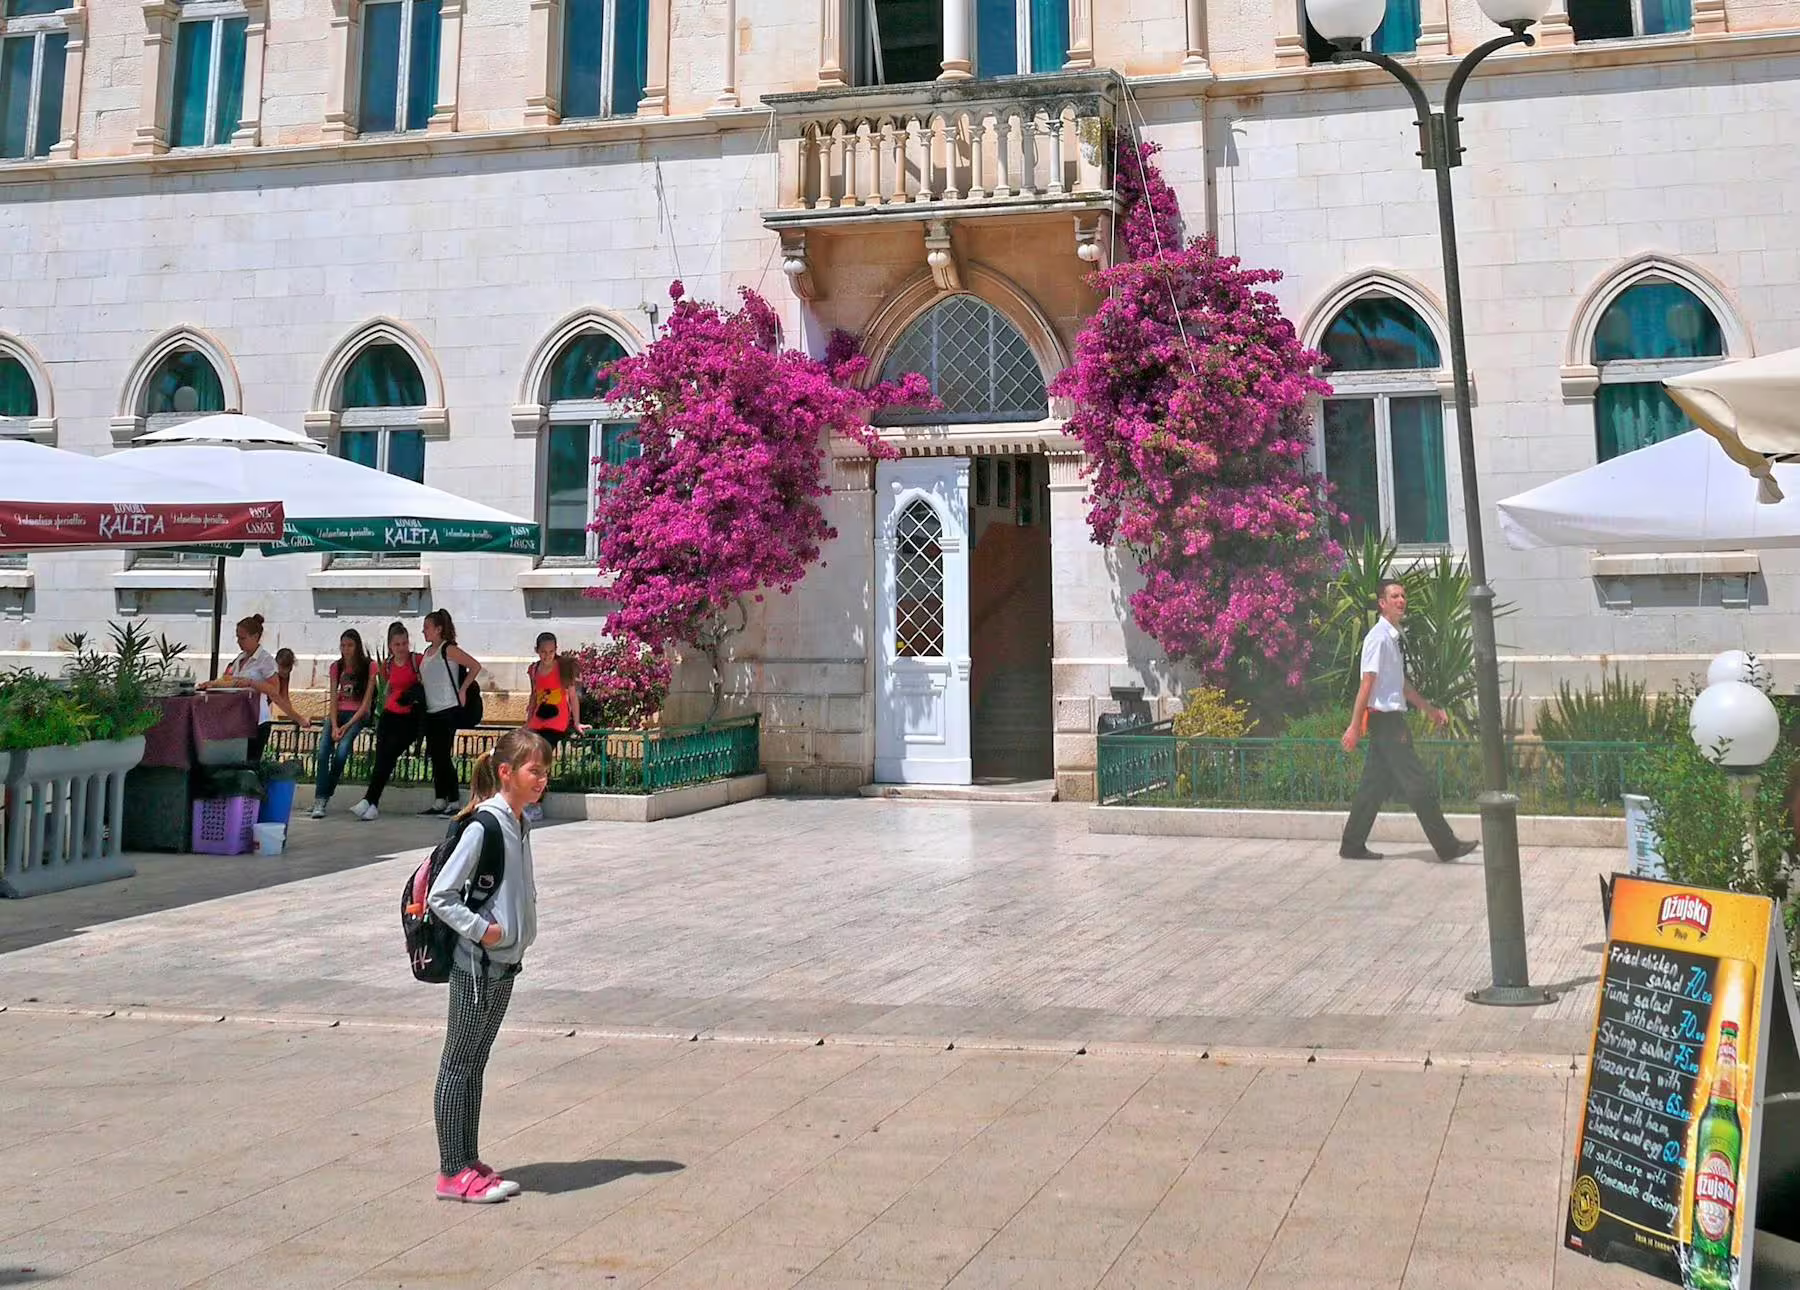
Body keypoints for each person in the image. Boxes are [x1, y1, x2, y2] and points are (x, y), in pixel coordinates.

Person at [426, 728, 547, 1204]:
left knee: (475, 1063)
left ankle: (467, 1160)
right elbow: (441, 896)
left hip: (503, 964)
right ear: (505, 772)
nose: (542, 779)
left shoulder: (520, 823)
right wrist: (485, 931)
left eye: (544, 771)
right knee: (459, 1063)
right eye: (533, 770)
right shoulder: (486, 825)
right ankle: (451, 1171)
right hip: (476, 966)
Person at [1339, 579, 1480, 863]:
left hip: (1388, 722)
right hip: (1388, 723)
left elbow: (1401, 685)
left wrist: (1429, 709)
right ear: (1382, 603)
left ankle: (1352, 845)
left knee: (1373, 786)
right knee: (1418, 784)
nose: (1401, 600)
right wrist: (1354, 726)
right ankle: (1447, 846)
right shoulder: (1378, 638)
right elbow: (1367, 684)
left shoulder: (1391, 637)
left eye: (1403, 595)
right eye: (1394, 596)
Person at [352, 622, 426, 822]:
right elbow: (388, 685)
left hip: (408, 717)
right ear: (390, 645)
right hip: (389, 715)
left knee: (389, 756)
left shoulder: (416, 660)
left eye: (404, 643)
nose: (401, 648)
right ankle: (371, 802)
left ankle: (370, 800)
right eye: (397, 644)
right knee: (382, 759)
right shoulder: (387, 665)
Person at [419, 609, 483, 816]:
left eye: (427, 627)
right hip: (431, 709)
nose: (424, 631)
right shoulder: (428, 652)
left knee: (443, 756)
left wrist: (463, 689)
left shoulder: (448, 649)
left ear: (438, 629)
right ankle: (440, 798)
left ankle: (454, 800)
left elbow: (474, 666)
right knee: (435, 756)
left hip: (447, 709)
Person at [310, 629, 376, 818]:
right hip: (337, 714)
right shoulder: (336, 667)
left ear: (357, 647)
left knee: (342, 752)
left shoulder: (369, 667)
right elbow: (333, 698)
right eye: (343, 645)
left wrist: (346, 727)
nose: (346, 650)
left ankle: (324, 793)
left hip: (356, 715)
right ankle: (320, 799)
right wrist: (334, 724)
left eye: (350, 645)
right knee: (323, 752)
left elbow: (365, 705)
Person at [199, 613, 279, 763]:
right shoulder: (240, 658)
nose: (239, 642)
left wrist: (251, 683)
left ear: (255, 637)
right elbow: (228, 679)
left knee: (251, 761)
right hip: (237, 717)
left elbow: (274, 689)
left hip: (257, 718)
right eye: (237, 638)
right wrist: (212, 684)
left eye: (243, 638)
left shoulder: (265, 660)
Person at [522, 632, 582, 824]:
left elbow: (572, 696)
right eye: (543, 652)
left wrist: (577, 722)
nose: (547, 655)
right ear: (537, 651)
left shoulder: (563, 668)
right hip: (538, 719)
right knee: (525, 756)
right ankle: (525, 798)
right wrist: (528, 720)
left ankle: (536, 803)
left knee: (539, 759)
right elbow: (534, 695)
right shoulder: (534, 669)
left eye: (551, 651)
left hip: (557, 721)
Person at [271, 649, 313, 729]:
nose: (285, 673)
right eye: (282, 670)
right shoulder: (271, 673)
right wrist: (300, 719)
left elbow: (284, 697)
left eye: (288, 670)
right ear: (276, 664)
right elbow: (277, 699)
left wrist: (294, 717)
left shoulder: (284, 674)